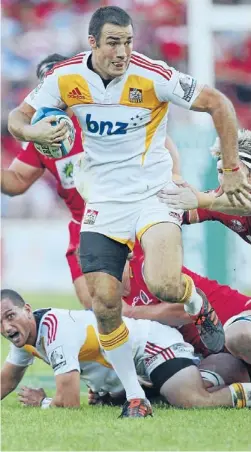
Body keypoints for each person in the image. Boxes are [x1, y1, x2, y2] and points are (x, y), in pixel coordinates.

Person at [7, 6, 248, 416]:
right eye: (114, 43)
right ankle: (135, 397)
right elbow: (17, 119)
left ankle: (197, 303)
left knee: (163, 283)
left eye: (129, 42)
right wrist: (32, 132)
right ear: (93, 43)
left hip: (152, 194)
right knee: (103, 304)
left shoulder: (153, 74)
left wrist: (230, 169)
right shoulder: (65, 78)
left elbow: (218, 103)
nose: (123, 52)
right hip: (103, 202)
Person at [1, 289, 251, 412]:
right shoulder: (27, 337)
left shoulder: (54, 329)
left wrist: (42, 402)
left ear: (27, 309)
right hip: (137, 371)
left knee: (191, 400)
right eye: (0, 323)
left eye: (10, 316)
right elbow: (6, 381)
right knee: (163, 400)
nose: (7, 327)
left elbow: (69, 402)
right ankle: (217, 370)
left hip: (153, 346)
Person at [1, 54, 91, 307]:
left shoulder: (97, 116)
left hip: (122, 221)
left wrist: (173, 174)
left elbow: (160, 140)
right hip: (82, 228)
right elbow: (16, 181)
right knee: (94, 307)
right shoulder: (42, 134)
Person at [122, 245, 251, 365]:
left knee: (239, 336)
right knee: (188, 386)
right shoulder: (108, 306)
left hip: (239, 317)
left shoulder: (145, 263)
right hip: (217, 358)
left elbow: (187, 309)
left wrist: (130, 312)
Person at [158, 129, 251, 243]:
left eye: (233, 172)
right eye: (221, 172)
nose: (225, 178)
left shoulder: (211, 201)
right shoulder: (216, 198)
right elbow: (166, 215)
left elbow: (245, 205)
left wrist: (201, 199)